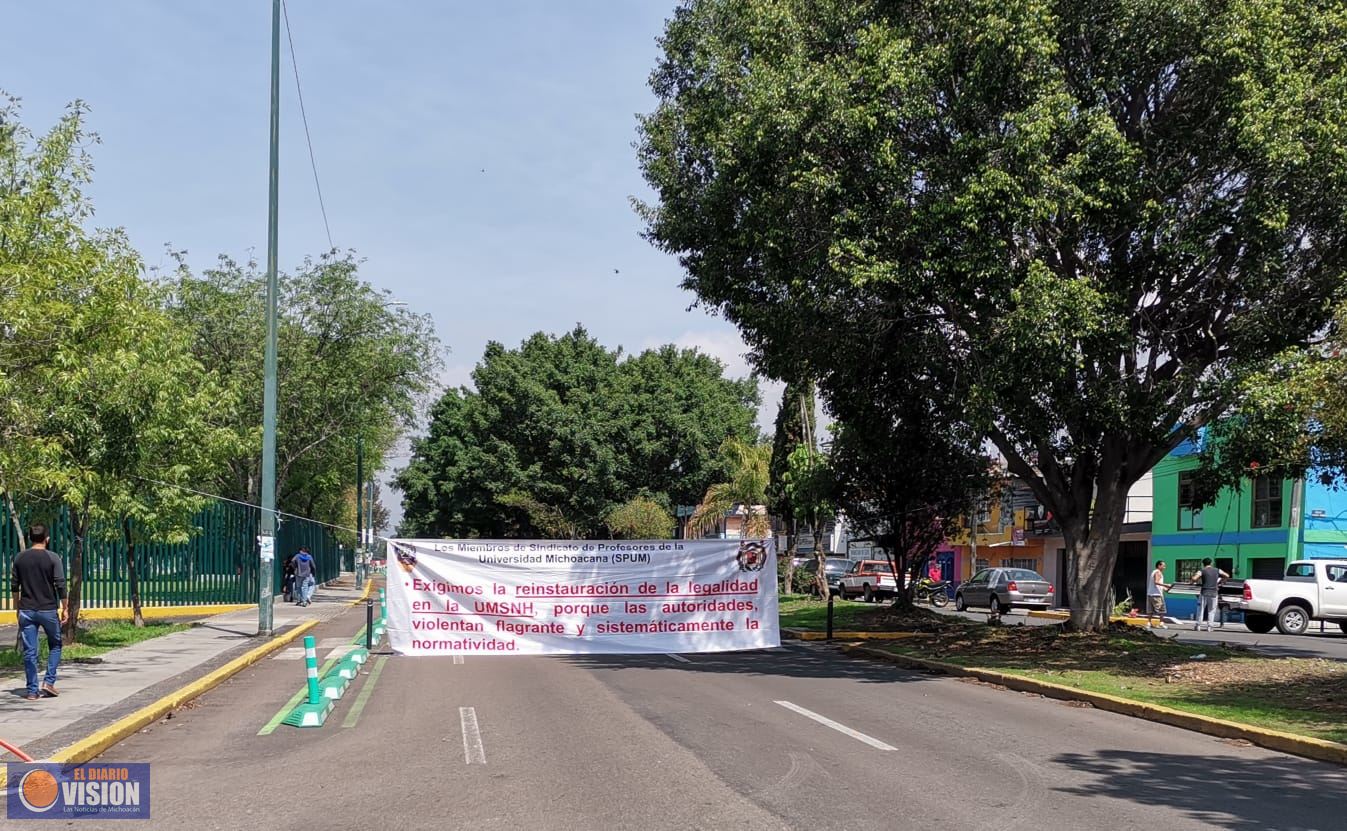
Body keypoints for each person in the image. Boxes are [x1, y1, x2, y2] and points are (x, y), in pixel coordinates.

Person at [11, 524, 68, 701]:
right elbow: (60, 584)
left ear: (29, 538)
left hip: (27, 610)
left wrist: (17, 607)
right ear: (47, 539)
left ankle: (32, 691)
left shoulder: (20, 558)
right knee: (56, 644)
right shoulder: (53, 558)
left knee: (30, 651)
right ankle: (48, 682)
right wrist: (65, 608)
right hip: (48, 609)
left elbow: (14, 585)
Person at [1190, 557, 1229, 632]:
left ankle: (1198, 626)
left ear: (1203, 564)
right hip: (1214, 592)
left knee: (1201, 609)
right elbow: (1227, 575)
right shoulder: (1217, 570)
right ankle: (1210, 627)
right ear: (1211, 563)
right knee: (1212, 610)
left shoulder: (1202, 570)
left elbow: (1194, 578)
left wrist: (1192, 582)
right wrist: (1222, 582)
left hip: (1204, 592)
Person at [1146, 560, 1171, 629]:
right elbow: (1156, 582)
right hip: (1157, 595)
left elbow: (1158, 585)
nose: (1164, 567)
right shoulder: (1158, 572)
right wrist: (1166, 585)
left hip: (1150, 594)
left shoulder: (1153, 572)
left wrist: (1165, 589)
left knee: (1150, 610)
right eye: (1163, 566)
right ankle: (1161, 623)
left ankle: (1148, 623)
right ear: (1159, 566)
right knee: (1162, 610)